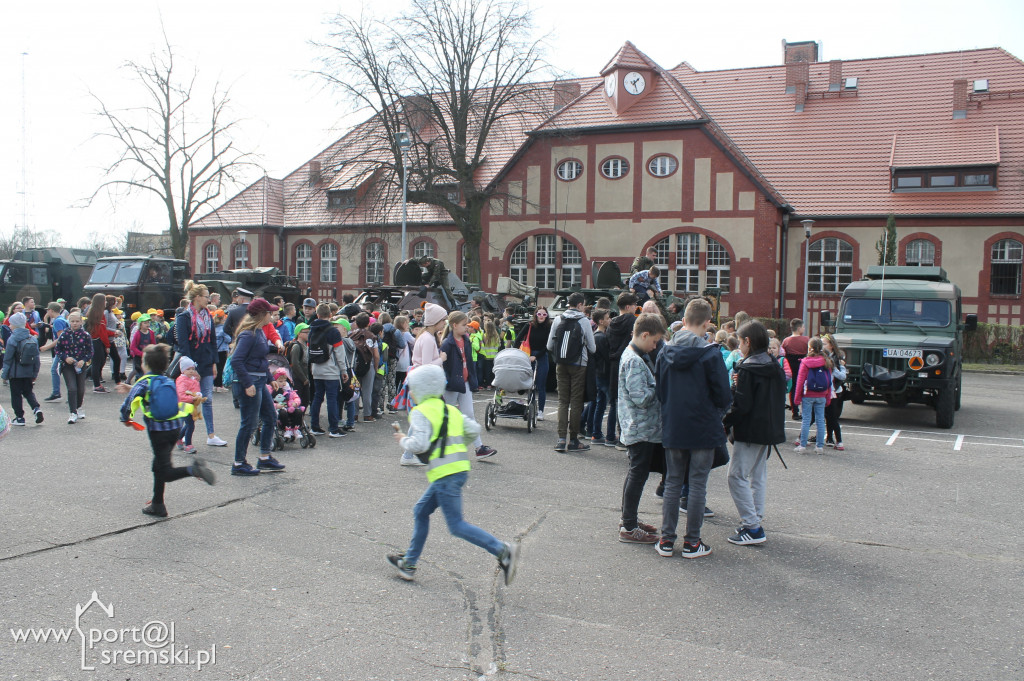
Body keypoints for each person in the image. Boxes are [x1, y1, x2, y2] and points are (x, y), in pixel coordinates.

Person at [386, 365, 520, 584]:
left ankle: (503, 550)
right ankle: (409, 563)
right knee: (421, 511)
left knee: (456, 525)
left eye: (412, 388)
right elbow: (473, 430)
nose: (410, 392)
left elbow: (418, 444)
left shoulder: (420, 412)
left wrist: (403, 441)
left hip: (444, 475)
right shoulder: (450, 409)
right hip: (457, 471)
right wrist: (456, 447)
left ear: (421, 389)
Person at [655, 298, 732, 559]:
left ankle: (666, 540)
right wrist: (716, 413)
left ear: (684, 320)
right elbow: (724, 395)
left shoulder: (664, 352)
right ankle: (692, 542)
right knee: (698, 484)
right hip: (703, 426)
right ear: (708, 322)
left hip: (675, 425)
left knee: (673, 483)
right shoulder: (710, 354)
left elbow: (660, 390)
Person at [119, 344, 215, 517]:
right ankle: (158, 504)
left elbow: (129, 403)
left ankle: (193, 470)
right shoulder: (167, 380)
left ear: (146, 364)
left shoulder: (145, 381)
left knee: (165, 471)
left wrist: (125, 418)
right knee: (158, 465)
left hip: (158, 432)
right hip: (174, 429)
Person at [722, 321, 787, 546]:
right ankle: (755, 520)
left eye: (740, 342)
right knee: (757, 475)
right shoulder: (773, 364)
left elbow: (741, 405)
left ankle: (752, 526)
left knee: (736, 476)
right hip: (768, 430)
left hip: (750, 430)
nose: (739, 346)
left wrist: (725, 423)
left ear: (747, 342)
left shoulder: (748, 368)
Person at [618, 313, 667, 544]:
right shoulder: (635, 360)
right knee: (637, 475)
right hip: (640, 428)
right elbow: (640, 398)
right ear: (644, 334)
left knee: (637, 474)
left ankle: (629, 520)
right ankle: (628, 527)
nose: (655, 346)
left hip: (640, 427)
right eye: (654, 341)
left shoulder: (635, 355)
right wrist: (660, 386)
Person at [229, 298, 288, 475]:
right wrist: (247, 384)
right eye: (270, 312)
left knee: (270, 417)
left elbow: (261, 361)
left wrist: (270, 378)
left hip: (260, 380)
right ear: (262, 314)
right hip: (251, 382)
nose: (272, 315)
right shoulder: (249, 334)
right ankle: (239, 463)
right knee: (249, 423)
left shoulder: (259, 332)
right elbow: (236, 360)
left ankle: (264, 457)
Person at [174, 281, 227, 448]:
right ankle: (181, 434)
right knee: (190, 401)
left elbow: (212, 341)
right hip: (191, 364)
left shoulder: (208, 316)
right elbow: (183, 344)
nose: (208, 300)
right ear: (197, 298)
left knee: (207, 398)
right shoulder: (184, 317)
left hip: (206, 361)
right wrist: (190, 368)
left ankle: (211, 435)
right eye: (206, 297)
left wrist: (214, 363)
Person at [441, 311, 497, 460]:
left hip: (464, 383)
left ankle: (479, 448)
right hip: (452, 385)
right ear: (454, 325)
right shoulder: (447, 343)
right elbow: (443, 365)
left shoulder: (466, 340)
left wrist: (472, 381)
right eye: (464, 325)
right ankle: (436, 448)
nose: (467, 327)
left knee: (469, 415)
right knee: (445, 418)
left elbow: (470, 363)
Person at [547, 292, 597, 452]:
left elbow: (549, 345)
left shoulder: (558, 319)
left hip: (560, 363)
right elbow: (593, 348)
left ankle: (561, 439)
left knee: (562, 401)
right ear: (581, 304)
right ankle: (574, 440)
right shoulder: (584, 321)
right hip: (578, 365)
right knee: (576, 402)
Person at [308, 303, 348, 438]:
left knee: (317, 397)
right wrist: (343, 370)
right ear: (330, 315)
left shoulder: (311, 329)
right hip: (330, 369)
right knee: (332, 398)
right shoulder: (333, 331)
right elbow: (339, 353)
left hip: (316, 368)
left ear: (317, 314)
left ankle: (314, 426)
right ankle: (333, 428)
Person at [605, 292, 638, 448]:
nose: (636, 308)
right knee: (627, 400)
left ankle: (611, 435)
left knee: (615, 401)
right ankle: (623, 436)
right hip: (626, 362)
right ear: (627, 306)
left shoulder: (611, 323)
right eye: (634, 306)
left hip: (613, 363)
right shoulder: (632, 320)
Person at [2, 312, 44, 426]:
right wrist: (35, 372)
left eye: (11, 324)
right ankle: (36, 408)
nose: (9, 326)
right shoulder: (32, 338)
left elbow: (8, 359)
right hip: (29, 372)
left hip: (15, 373)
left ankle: (20, 417)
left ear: (15, 325)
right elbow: (36, 358)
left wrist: (4, 375)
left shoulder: (12, 339)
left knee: (16, 394)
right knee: (28, 392)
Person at [794, 337, 833, 454]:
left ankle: (802, 445)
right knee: (820, 420)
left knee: (806, 420)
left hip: (808, 394)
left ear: (809, 348)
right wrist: (828, 396)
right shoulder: (826, 361)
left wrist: (796, 398)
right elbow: (829, 381)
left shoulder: (805, 362)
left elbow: (800, 381)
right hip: (822, 394)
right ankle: (819, 446)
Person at [54, 311, 93, 423]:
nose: (75, 323)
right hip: (67, 366)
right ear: (69, 322)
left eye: (77, 321)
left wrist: (84, 360)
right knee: (72, 388)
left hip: (81, 366)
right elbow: (58, 349)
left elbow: (90, 351)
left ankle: (79, 406)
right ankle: (73, 412)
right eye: (72, 321)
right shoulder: (64, 334)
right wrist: (65, 358)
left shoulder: (85, 335)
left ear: (81, 322)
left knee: (81, 389)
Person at [518, 307, 552, 420]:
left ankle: (541, 411)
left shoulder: (549, 327)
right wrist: (515, 352)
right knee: (530, 385)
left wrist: (536, 356)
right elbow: (518, 338)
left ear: (547, 316)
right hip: (528, 355)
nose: (541, 316)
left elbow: (548, 345)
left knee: (541, 385)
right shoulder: (529, 325)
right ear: (535, 314)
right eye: (539, 314)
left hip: (541, 357)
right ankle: (530, 408)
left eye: (544, 314)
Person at [350, 313, 380, 423]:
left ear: (356, 323)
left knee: (355, 390)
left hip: (355, 366)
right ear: (368, 323)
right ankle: (367, 415)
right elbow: (376, 355)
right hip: (368, 365)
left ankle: (354, 414)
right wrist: (375, 367)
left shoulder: (351, 335)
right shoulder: (372, 336)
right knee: (367, 391)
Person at [587, 309, 612, 445]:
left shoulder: (596, 336)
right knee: (604, 404)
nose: (609, 320)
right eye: (607, 318)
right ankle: (597, 433)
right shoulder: (600, 337)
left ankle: (595, 433)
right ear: (601, 321)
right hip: (603, 374)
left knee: (599, 404)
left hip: (599, 374)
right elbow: (607, 357)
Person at [822, 334, 847, 451]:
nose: (822, 346)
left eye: (825, 344)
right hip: (825, 391)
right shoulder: (822, 357)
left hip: (834, 391)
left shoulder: (837, 358)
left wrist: (840, 368)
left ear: (831, 345)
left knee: (832, 417)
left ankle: (835, 439)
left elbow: (841, 376)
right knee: (823, 416)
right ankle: (829, 438)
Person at [781, 318, 809, 420]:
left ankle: (795, 411)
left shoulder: (786, 340)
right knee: (803, 387)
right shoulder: (806, 340)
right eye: (803, 327)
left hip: (790, 365)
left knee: (793, 388)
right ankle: (805, 411)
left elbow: (783, 352)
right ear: (799, 328)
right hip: (802, 365)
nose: (804, 328)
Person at [41, 302, 69, 402]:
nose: (47, 312)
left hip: (62, 349)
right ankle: (60, 392)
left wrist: (47, 347)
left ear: (51, 310)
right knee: (60, 370)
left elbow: (61, 338)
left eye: (48, 310)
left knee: (56, 370)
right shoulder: (62, 319)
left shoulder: (57, 321)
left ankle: (57, 392)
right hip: (66, 349)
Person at [175, 356, 202, 454]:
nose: (191, 371)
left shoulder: (193, 379)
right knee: (190, 425)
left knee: (189, 423)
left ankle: (179, 438)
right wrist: (192, 398)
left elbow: (196, 389)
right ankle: (188, 444)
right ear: (182, 370)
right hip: (184, 404)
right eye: (188, 369)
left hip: (192, 404)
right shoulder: (182, 380)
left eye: (193, 369)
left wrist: (198, 394)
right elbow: (181, 395)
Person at [85, 294, 111, 393]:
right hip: (97, 340)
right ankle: (97, 385)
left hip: (93, 339)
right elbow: (102, 332)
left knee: (96, 363)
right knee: (97, 363)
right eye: (104, 300)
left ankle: (84, 377)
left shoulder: (92, 312)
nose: (106, 302)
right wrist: (107, 345)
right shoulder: (100, 314)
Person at [271, 367, 305, 441]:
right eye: (280, 381)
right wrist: (276, 406)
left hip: (290, 407)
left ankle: (296, 428)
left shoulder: (288, 389)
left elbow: (296, 396)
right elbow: (268, 403)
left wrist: (295, 403)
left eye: (285, 381)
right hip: (279, 409)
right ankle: (287, 429)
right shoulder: (271, 390)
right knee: (283, 413)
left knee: (299, 411)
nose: (283, 383)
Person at [288, 322, 312, 408]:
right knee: (299, 401)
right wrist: (304, 378)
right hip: (297, 379)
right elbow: (295, 364)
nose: (308, 334)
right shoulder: (296, 346)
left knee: (305, 400)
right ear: (299, 333)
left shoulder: (305, 345)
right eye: (306, 332)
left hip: (305, 378)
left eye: (309, 332)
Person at [129, 314, 156, 383]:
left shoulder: (151, 333)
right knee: (139, 372)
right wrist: (141, 354)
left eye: (148, 322)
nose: (147, 324)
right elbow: (133, 346)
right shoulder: (137, 334)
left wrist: (152, 353)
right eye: (145, 323)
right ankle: (129, 381)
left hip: (147, 356)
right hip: (138, 357)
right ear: (140, 324)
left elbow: (153, 345)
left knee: (148, 373)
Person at [213, 309, 230, 391]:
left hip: (215, 350)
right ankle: (219, 386)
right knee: (221, 368)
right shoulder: (223, 329)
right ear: (222, 318)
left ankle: (215, 385)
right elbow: (228, 339)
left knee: (216, 367)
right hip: (222, 350)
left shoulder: (213, 328)